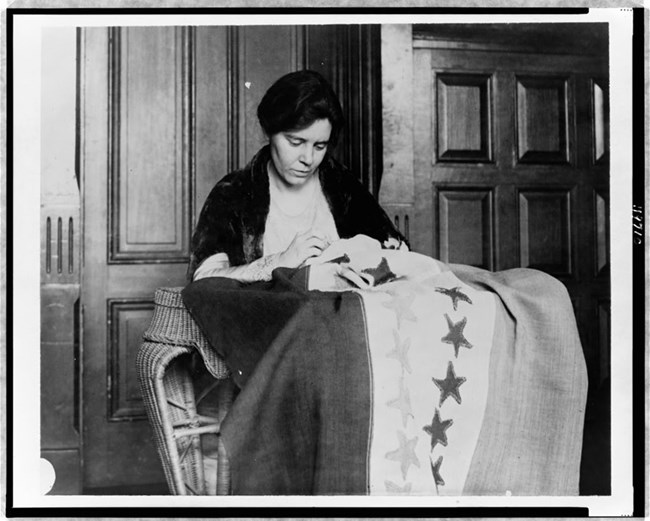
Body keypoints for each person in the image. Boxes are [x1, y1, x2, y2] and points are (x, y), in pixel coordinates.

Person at [188, 70, 406, 282]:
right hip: (266, 318)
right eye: (296, 142)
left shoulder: (343, 187)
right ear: (269, 132)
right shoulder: (233, 193)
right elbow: (203, 281)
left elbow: (398, 253)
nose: (308, 158)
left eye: (320, 146)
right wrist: (280, 262)